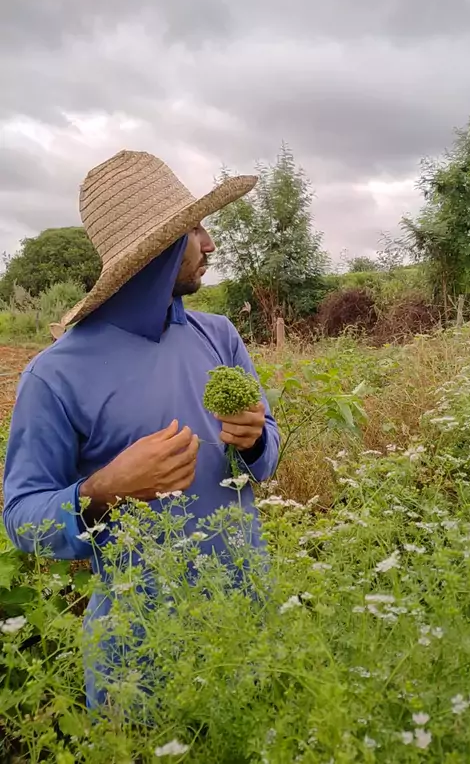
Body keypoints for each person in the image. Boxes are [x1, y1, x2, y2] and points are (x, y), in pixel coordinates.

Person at [2, 150, 280, 708]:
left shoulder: (217, 337)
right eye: (194, 230)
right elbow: (21, 518)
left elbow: (266, 455)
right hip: (141, 659)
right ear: (158, 249)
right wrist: (103, 490)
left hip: (249, 626)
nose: (209, 244)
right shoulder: (55, 375)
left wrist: (255, 440)